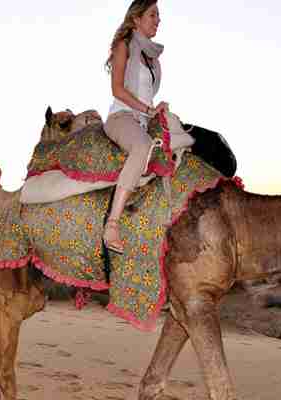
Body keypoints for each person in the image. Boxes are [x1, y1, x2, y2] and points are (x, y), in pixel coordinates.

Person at [103, 0, 167, 253]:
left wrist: (157, 110)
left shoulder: (152, 57)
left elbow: (146, 94)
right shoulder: (124, 46)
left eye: (158, 15)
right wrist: (149, 110)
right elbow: (117, 89)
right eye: (153, 15)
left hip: (144, 118)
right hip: (123, 117)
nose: (158, 20)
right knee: (142, 146)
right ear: (136, 19)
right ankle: (112, 225)